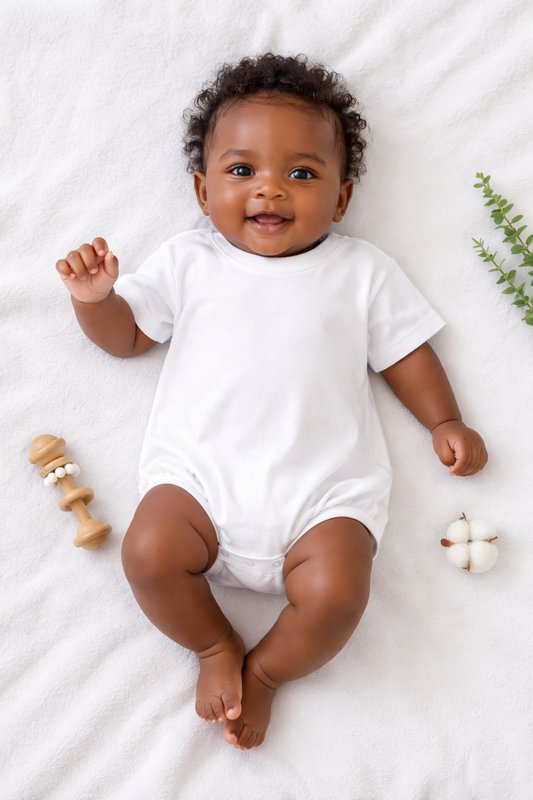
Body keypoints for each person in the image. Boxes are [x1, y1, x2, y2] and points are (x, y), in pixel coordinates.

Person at [55, 53, 488, 750]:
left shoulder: (361, 271)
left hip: (323, 499)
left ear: (342, 199)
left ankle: (266, 672)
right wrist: (95, 300)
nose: (270, 190)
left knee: (339, 597)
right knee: (147, 553)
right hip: (198, 485)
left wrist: (444, 419)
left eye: (302, 174)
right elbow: (128, 338)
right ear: (202, 191)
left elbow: (405, 352)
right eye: (241, 170)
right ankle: (214, 645)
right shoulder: (189, 261)